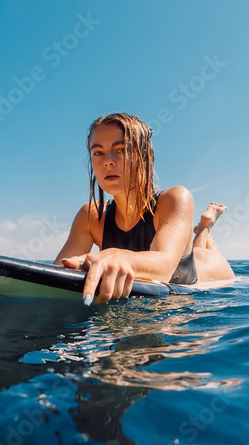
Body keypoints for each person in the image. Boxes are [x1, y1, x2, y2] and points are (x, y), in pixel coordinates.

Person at [54, 112, 234, 305]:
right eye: (98, 152)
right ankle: (197, 231)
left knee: (200, 250)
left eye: (121, 149)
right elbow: (57, 275)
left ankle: (206, 225)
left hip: (209, 269)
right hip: (180, 252)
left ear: (147, 156)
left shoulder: (175, 198)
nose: (107, 160)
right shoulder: (91, 215)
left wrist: (116, 255)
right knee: (187, 244)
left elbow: (164, 267)